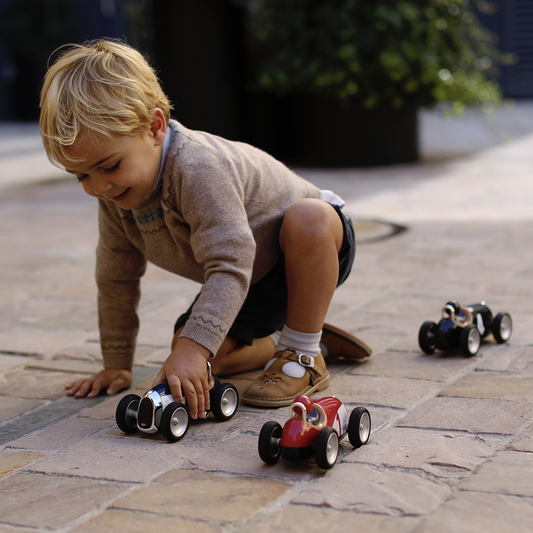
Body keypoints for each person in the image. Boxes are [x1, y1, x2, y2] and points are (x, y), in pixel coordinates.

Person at [39, 39, 371, 419]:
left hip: (310, 249)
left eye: (110, 166)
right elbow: (116, 278)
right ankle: (301, 333)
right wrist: (118, 362)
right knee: (197, 350)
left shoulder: (196, 167)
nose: (99, 187)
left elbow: (230, 261)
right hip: (252, 276)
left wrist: (195, 350)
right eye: (81, 175)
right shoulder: (115, 199)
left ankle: (302, 354)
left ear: (155, 127)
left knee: (307, 218)